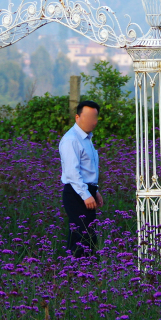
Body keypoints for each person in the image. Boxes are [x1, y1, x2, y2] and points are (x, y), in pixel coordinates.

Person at [59, 100, 103, 257]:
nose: (94, 121)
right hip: (76, 192)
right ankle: (80, 272)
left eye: (95, 117)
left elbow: (88, 171)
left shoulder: (87, 139)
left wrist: (94, 191)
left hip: (86, 190)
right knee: (83, 235)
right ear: (77, 117)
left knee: (87, 234)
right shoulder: (71, 140)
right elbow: (72, 173)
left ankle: (81, 272)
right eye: (89, 117)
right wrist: (85, 195)